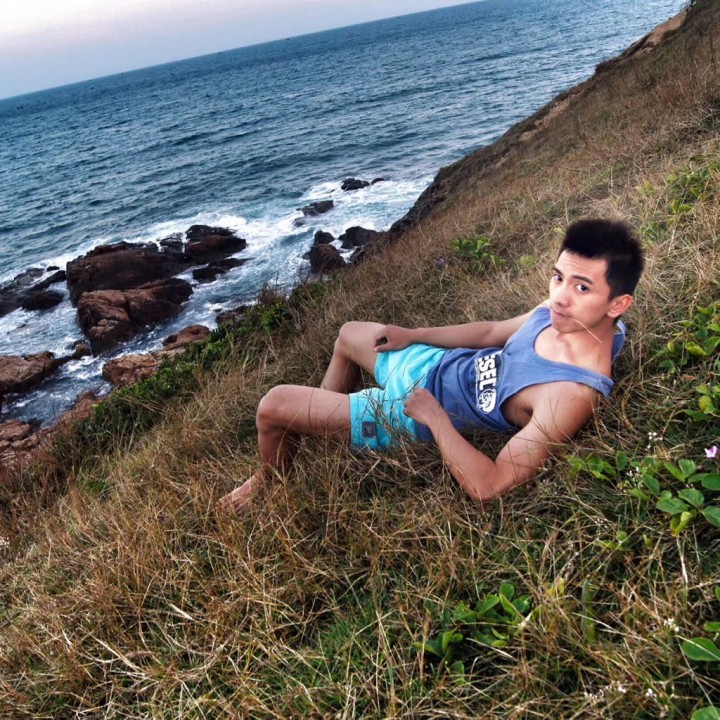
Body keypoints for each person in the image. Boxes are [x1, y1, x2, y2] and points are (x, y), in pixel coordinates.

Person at [221, 218, 644, 512]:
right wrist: (413, 334)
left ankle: (269, 480)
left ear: (617, 304)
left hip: (411, 415)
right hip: (436, 365)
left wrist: (435, 418)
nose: (560, 297)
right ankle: (315, 423)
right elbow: (491, 332)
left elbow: (490, 484)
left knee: (273, 406)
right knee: (350, 334)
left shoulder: (571, 393)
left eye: (582, 287)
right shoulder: (563, 316)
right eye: (558, 277)